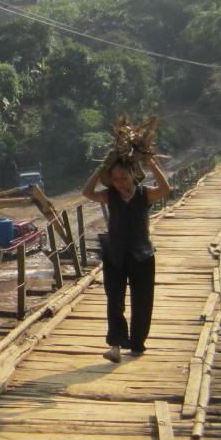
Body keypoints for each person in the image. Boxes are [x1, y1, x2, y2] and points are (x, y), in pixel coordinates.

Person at [82, 153, 172, 363]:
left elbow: (165, 189)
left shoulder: (144, 194)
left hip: (142, 254)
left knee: (142, 300)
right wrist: (101, 167)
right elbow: (87, 192)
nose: (119, 183)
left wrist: (151, 163)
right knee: (114, 299)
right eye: (114, 179)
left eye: (123, 177)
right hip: (115, 253)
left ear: (133, 175)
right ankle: (115, 345)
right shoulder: (110, 195)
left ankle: (137, 343)